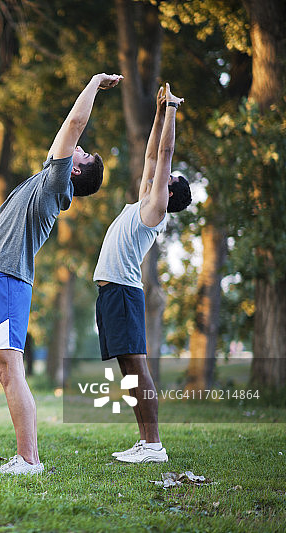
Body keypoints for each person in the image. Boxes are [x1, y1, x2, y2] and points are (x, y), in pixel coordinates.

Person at [0, 73, 122, 475]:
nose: (79, 148)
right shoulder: (48, 176)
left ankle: (29, 460)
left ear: (74, 172)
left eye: (83, 154)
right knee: (5, 370)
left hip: (8, 280)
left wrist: (93, 84)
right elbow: (66, 137)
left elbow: (73, 126)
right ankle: (25, 456)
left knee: (11, 369)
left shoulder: (57, 185)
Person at [94, 83, 189, 464]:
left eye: (169, 177)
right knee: (128, 371)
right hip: (111, 293)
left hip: (123, 292)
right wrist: (158, 109)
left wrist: (172, 111)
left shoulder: (155, 210)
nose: (162, 173)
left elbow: (165, 152)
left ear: (170, 191)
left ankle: (154, 446)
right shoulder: (143, 201)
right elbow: (153, 153)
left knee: (136, 366)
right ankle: (145, 442)